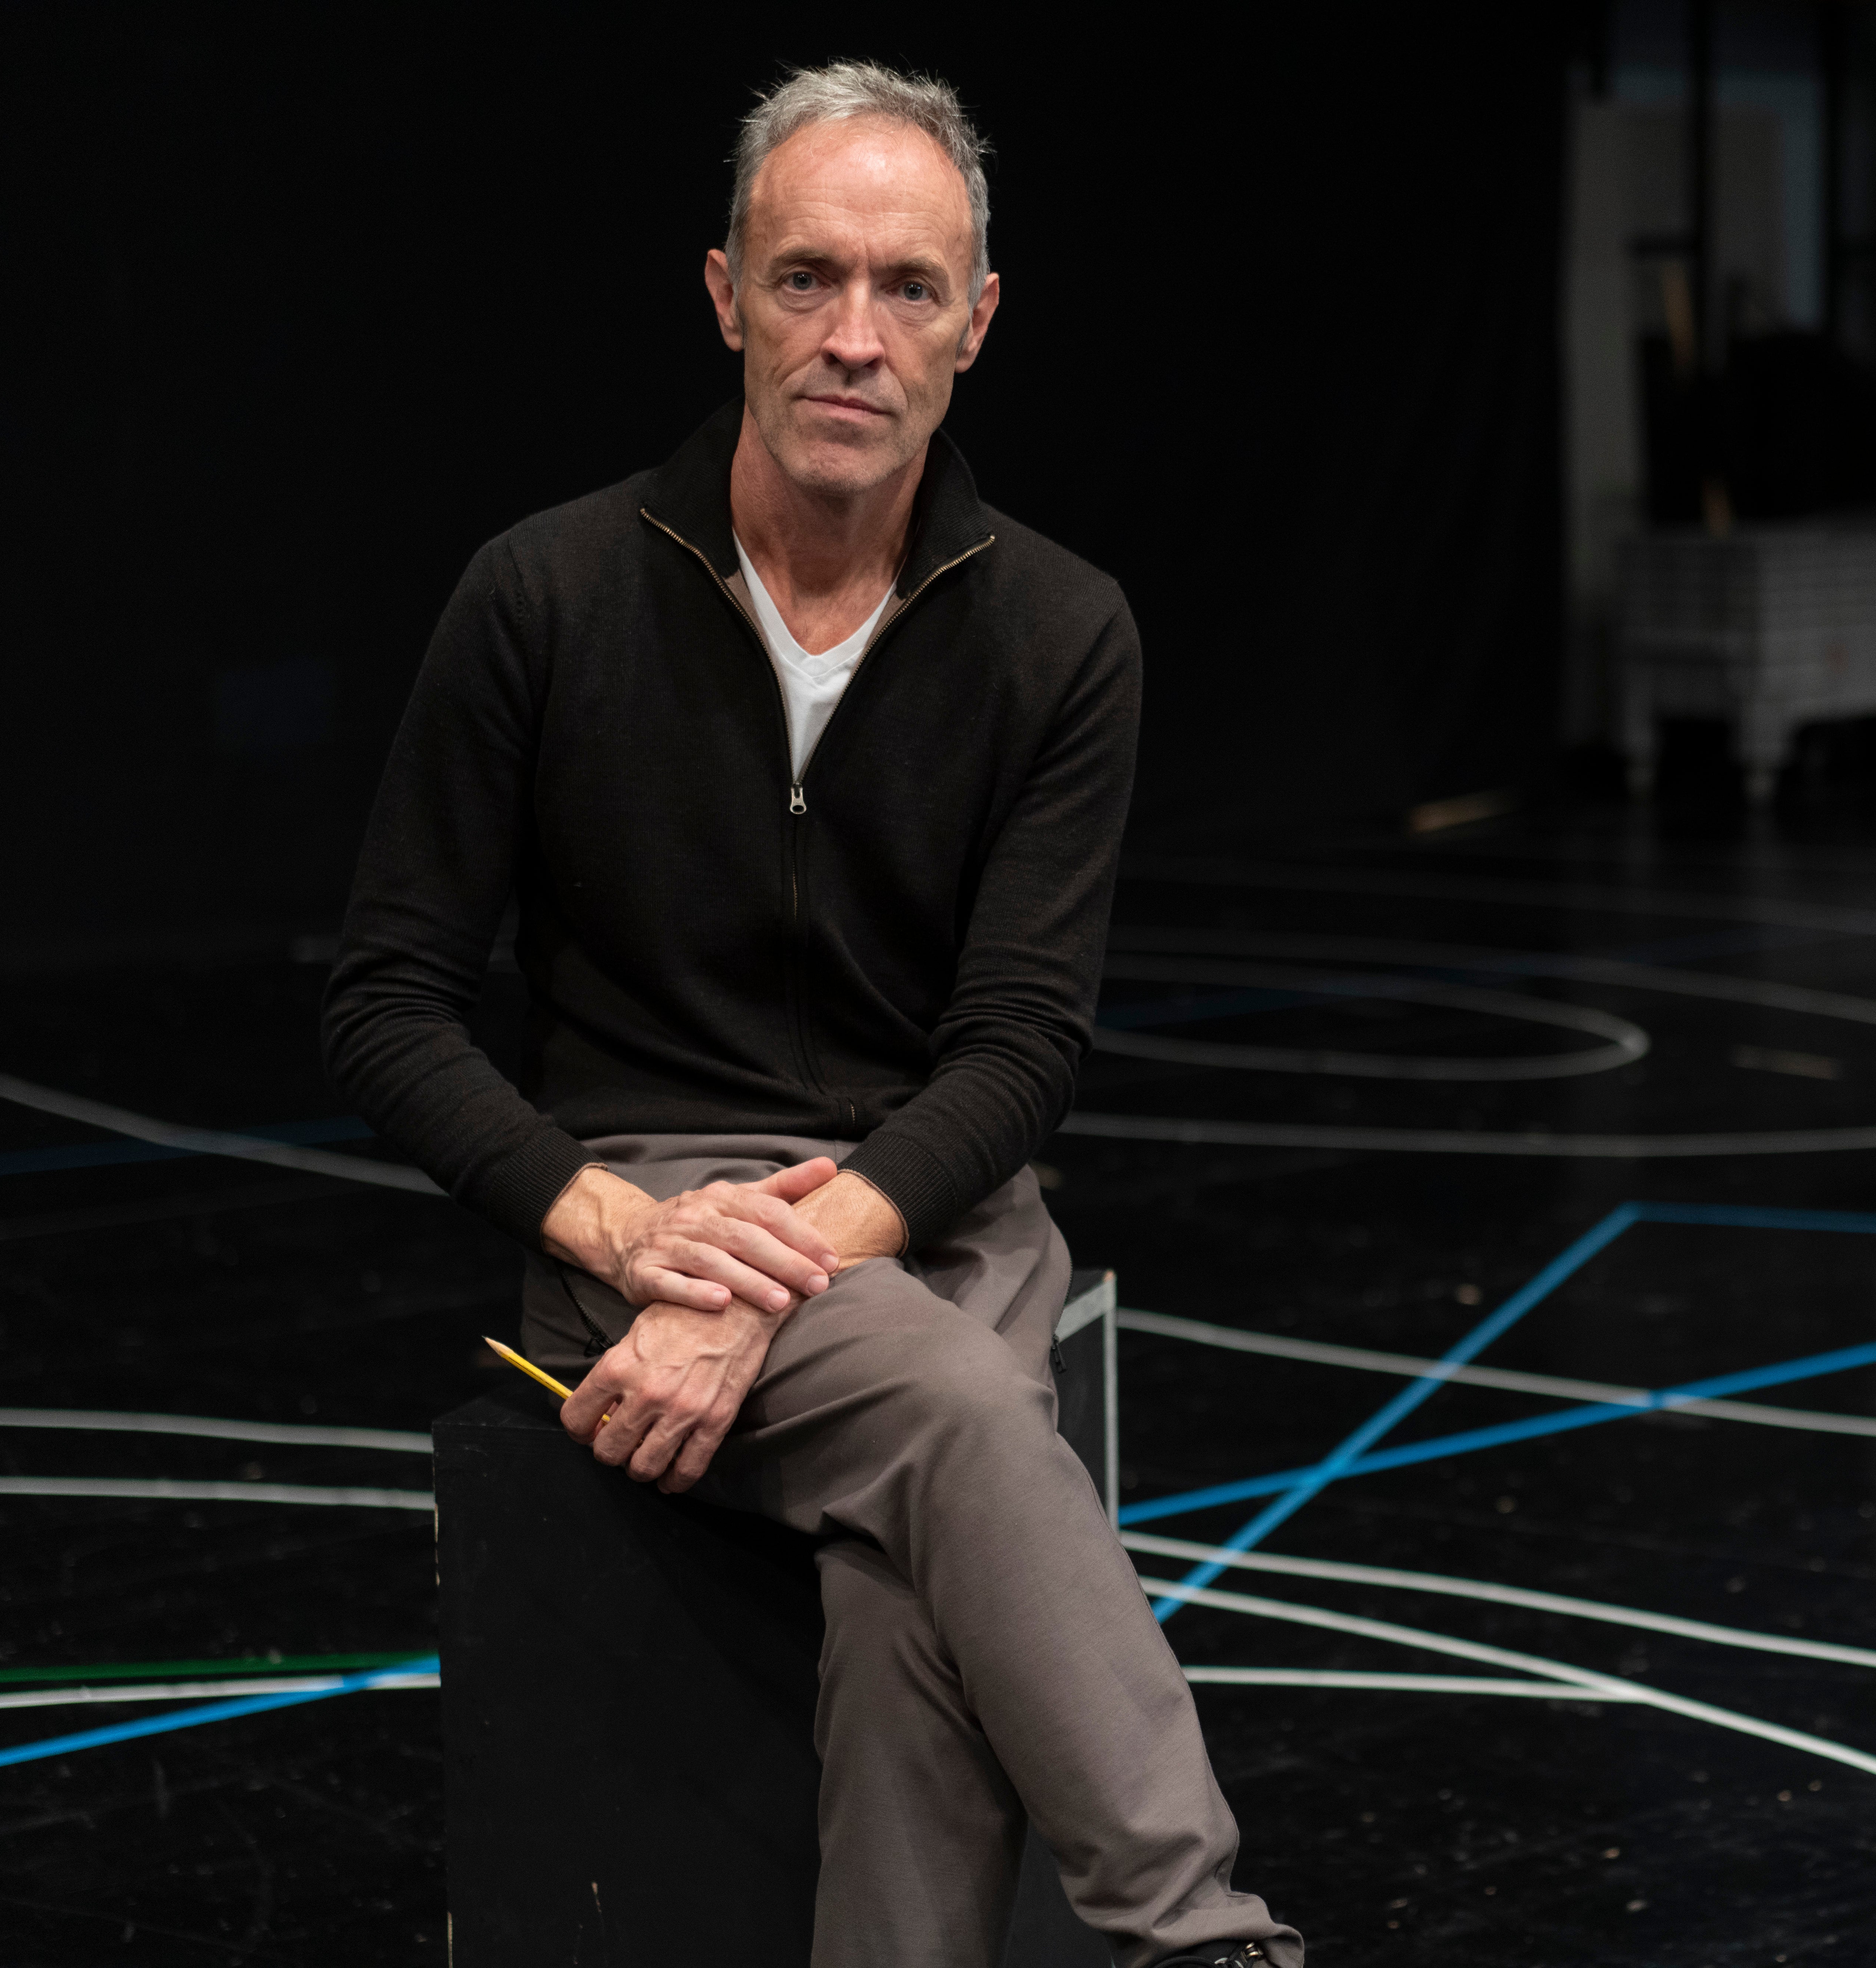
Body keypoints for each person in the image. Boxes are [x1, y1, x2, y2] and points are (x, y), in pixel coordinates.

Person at [321, 60, 1299, 1968]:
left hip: (928, 1205)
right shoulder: (543, 594)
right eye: (806, 279)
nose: (854, 337)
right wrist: (621, 1232)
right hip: (640, 1207)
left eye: (908, 289)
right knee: (961, 1417)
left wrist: (787, 1264)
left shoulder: (1058, 629)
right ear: (721, 294)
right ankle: (1203, 1935)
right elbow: (386, 1003)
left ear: (978, 324)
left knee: (912, 1597)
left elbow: (1020, 1049)